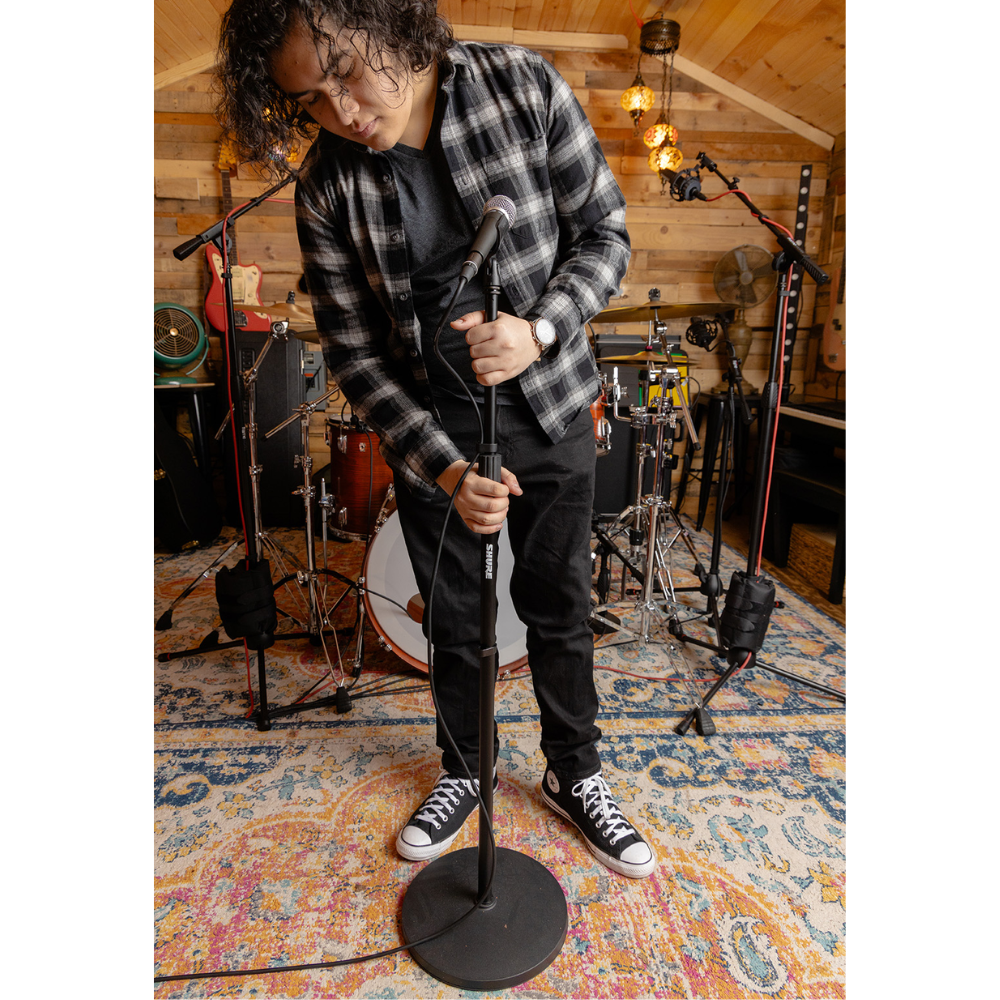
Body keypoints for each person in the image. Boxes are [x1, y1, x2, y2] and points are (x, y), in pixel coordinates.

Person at [216, 0, 655, 879]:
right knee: (454, 621)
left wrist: (539, 329)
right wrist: (448, 470)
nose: (342, 112)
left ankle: (575, 773)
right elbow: (355, 356)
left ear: (387, 23)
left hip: (552, 406)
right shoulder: (326, 187)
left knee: (559, 609)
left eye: (344, 73)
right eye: (311, 101)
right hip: (434, 438)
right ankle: (466, 769)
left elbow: (606, 236)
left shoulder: (522, 84)